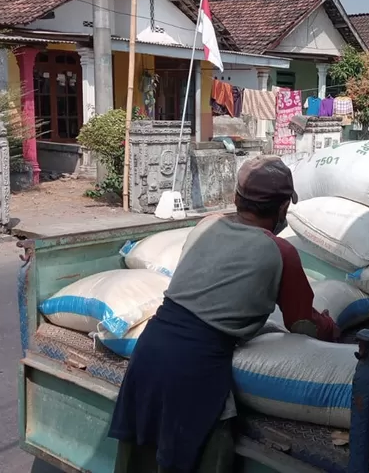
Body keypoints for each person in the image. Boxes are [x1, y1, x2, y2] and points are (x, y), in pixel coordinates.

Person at [108, 155, 340, 473]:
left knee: (137, 461)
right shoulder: (281, 252)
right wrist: (331, 326)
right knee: (202, 458)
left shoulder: (207, 225)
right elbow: (302, 324)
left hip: (148, 352)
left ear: (235, 198)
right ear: (284, 208)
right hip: (195, 370)